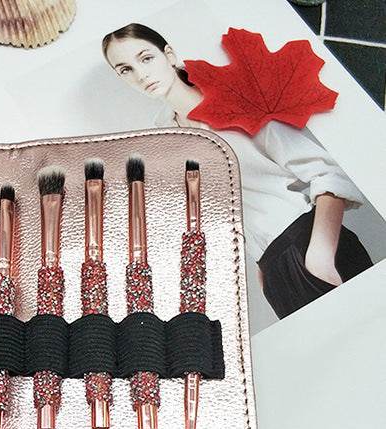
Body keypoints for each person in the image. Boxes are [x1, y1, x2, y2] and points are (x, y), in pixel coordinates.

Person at [102, 23, 373, 321]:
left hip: (310, 244)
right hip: (271, 268)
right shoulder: (169, 139)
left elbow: (325, 173)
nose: (141, 75)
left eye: (146, 58)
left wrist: (319, 254)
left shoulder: (234, 100)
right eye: (125, 70)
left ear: (169, 55)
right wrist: (263, 271)